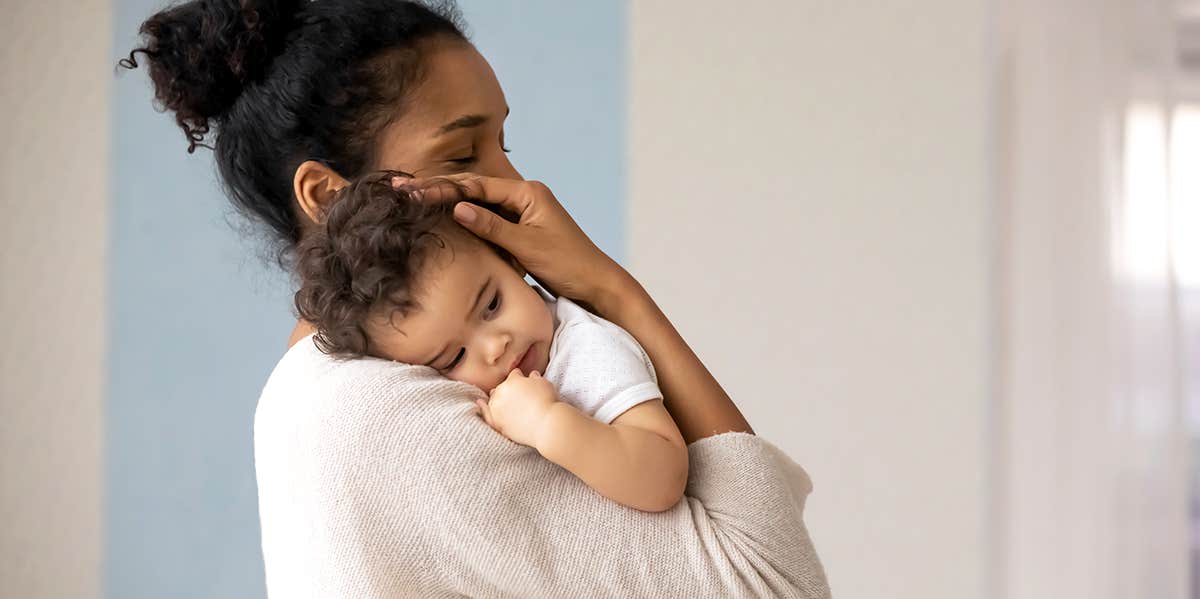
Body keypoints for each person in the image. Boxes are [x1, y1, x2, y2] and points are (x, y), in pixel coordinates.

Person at [122, 0, 831, 596]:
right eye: (462, 155)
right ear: (331, 198)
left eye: (504, 143)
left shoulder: (344, 387)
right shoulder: (382, 415)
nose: (524, 188)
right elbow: (771, 580)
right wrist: (615, 292)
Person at [293, 172, 689, 513]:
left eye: (492, 304)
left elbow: (664, 473)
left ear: (511, 261)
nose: (495, 346)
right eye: (454, 357)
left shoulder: (585, 349)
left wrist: (549, 425)